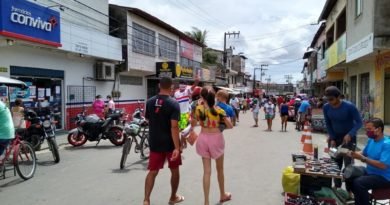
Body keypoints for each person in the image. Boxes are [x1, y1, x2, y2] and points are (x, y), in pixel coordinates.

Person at [143, 77, 183, 205]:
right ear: (171, 87)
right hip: (170, 144)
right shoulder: (173, 103)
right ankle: (173, 197)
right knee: (174, 170)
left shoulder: (149, 102)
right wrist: (177, 147)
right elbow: (174, 126)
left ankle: (146, 200)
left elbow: (149, 120)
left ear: (159, 85)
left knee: (153, 171)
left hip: (155, 141)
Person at [191, 87, 233, 205]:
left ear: (202, 98)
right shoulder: (218, 110)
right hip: (216, 139)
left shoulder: (198, 109)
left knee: (206, 172)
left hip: (203, 138)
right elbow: (230, 126)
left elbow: (193, 124)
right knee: (220, 170)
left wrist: (198, 108)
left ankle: (206, 202)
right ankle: (222, 194)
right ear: (213, 97)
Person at [323, 86, 363, 192]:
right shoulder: (326, 107)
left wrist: (350, 134)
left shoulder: (349, 107)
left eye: (331, 99)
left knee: (348, 165)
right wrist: (332, 137)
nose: (330, 102)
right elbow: (328, 123)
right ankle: (337, 188)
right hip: (334, 139)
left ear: (338, 97)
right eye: (328, 99)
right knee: (335, 164)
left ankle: (350, 190)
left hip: (349, 140)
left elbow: (359, 122)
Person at [346, 118, 390, 205]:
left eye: (369, 129)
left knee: (359, 183)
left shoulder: (387, 144)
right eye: (366, 129)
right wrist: (352, 153)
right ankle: (360, 201)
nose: (367, 132)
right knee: (348, 172)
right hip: (370, 172)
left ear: (379, 129)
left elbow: (383, 165)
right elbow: (364, 153)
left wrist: (363, 158)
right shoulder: (371, 140)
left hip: (384, 177)